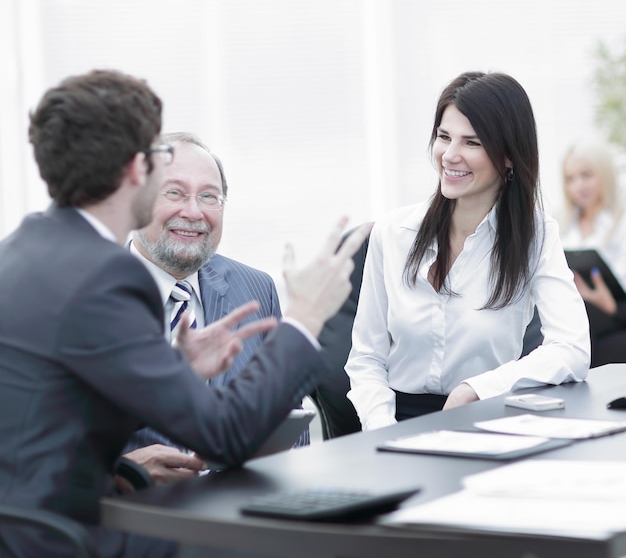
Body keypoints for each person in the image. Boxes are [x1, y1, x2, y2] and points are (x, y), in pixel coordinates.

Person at [0, 69, 369, 558]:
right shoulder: (106, 276)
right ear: (138, 170)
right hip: (76, 537)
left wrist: (173, 370)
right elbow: (227, 435)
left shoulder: (20, 250)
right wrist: (305, 318)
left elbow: (53, 409)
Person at [345, 71, 591, 431]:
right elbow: (366, 358)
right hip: (396, 424)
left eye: (472, 143)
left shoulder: (535, 235)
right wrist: (381, 428)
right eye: (444, 137)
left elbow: (572, 349)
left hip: (486, 419)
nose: (450, 155)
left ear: (508, 157)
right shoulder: (393, 233)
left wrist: (476, 389)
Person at [123, 132, 307, 484]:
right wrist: (122, 474)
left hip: (245, 512)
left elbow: (289, 418)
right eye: (174, 192)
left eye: (209, 196)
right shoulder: (85, 296)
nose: (193, 212)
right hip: (135, 520)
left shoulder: (255, 287)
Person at [559, 141, 626, 366]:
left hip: (611, 315)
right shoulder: (561, 225)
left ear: (604, 174)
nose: (578, 185)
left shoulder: (620, 223)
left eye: (586, 175)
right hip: (569, 314)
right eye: (570, 178)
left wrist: (611, 306)